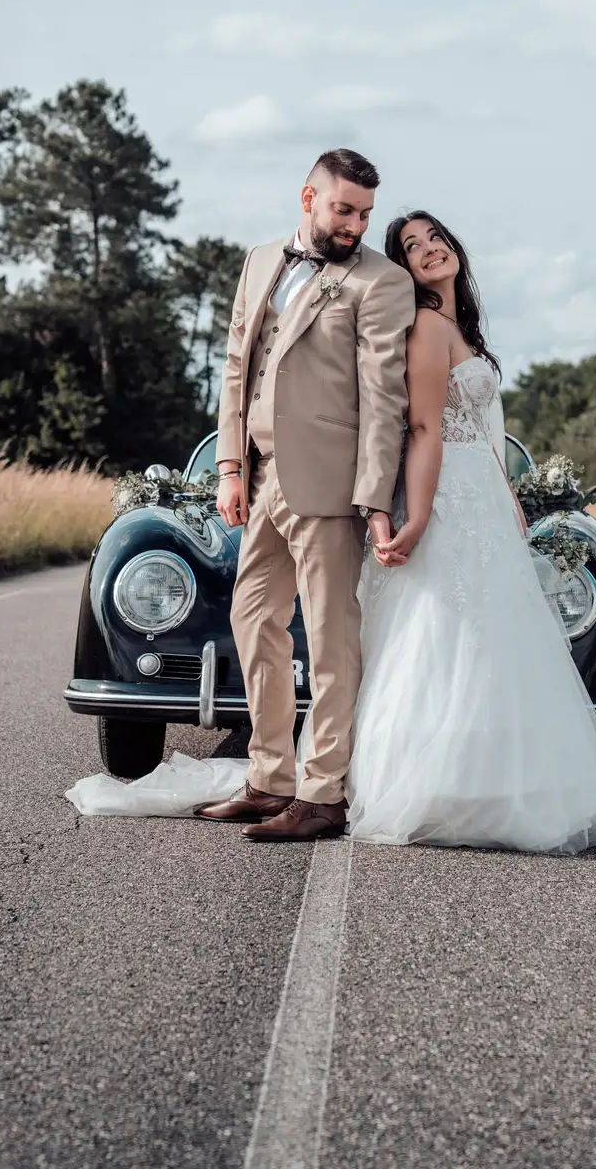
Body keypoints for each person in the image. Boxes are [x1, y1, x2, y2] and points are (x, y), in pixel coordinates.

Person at [343, 211, 596, 852]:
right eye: (411, 246)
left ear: (454, 246)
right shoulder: (425, 326)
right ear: (402, 267)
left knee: (497, 636)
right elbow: (424, 428)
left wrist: (508, 497)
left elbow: (481, 431)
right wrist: (419, 516)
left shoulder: (462, 330)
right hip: (447, 494)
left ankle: (490, 782)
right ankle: (430, 784)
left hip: (483, 496)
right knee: (445, 629)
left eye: (434, 237)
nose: (428, 249)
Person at [191, 149, 415, 841]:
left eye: (365, 214)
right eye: (344, 210)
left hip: (330, 482)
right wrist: (231, 467)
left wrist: (374, 498)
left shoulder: (381, 282)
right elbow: (236, 367)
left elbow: (384, 399)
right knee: (252, 617)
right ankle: (269, 778)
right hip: (260, 476)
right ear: (308, 198)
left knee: (329, 638)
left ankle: (322, 793)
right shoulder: (261, 260)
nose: (355, 225)